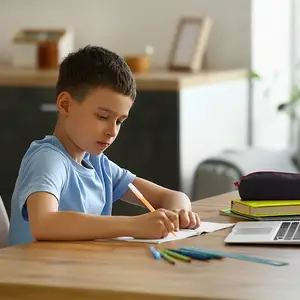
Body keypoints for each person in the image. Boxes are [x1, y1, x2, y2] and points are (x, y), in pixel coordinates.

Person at [8, 45, 201, 246]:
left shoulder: (99, 165)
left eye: (119, 121)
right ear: (66, 105)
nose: (113, 131)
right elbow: (44, 224)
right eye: (102, 117)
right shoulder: (47, 160)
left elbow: (171, 196)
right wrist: (134, 225)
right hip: (35, 274)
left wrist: (178, 214)